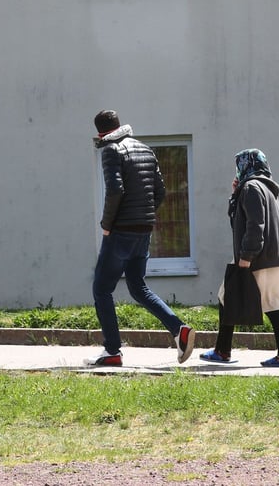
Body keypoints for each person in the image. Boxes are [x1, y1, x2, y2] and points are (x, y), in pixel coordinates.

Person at [85, 109, 196, 367]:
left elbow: (115, 190)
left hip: (121, 231)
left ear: (100, 134)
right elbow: (160, 191)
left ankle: (112, 351)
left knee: (101, 288)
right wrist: (144, 216)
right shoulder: (145, 149)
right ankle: (179, 329)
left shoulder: (111, 150)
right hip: (144, 229)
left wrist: (107, 225)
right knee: (138, 287)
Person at [200, 148, 279, 367]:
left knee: (227, 297)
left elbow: (255, 226)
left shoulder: (251, 187)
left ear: (245, 166)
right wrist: (235, 194)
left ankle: (223, 351)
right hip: (275, 256)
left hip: (257, 258)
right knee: (273, 303)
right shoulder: (266, 187)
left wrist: (246, 257)